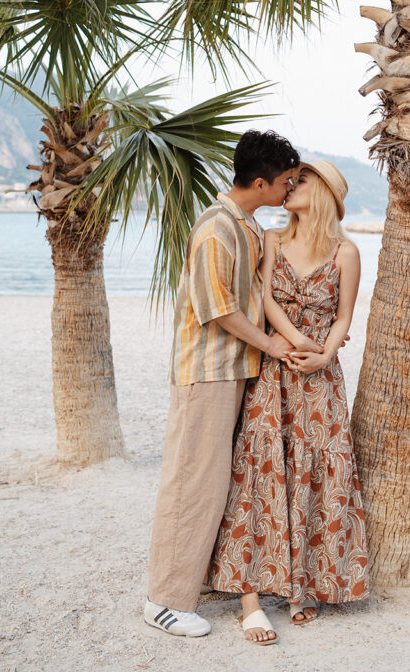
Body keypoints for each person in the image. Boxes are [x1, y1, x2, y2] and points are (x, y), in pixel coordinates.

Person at [144, 130, 323, 638]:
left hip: (234, 371)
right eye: (286, 181)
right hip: (207, 373)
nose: (290, 190)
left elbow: (258, 295)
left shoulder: (245, 225)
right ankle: (164, 600)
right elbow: (217, 307)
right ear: (261, 182)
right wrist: (272, 347)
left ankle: (192, 581)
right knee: (191, 482)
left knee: (215, 481)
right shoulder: (216, 228)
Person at [207, 159, 369, 645]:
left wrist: (324, 356)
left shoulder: (347, 251)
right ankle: (251, 600)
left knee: (315, 473)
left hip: (320, 375)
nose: (291, 185)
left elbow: (344, 317)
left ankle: (305, 585)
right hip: (276, 365)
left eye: (302, 180)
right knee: (259, 472)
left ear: (325, 194)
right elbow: (265, 300)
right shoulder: (271, 239)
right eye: (290, 179)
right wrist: (298, 341)